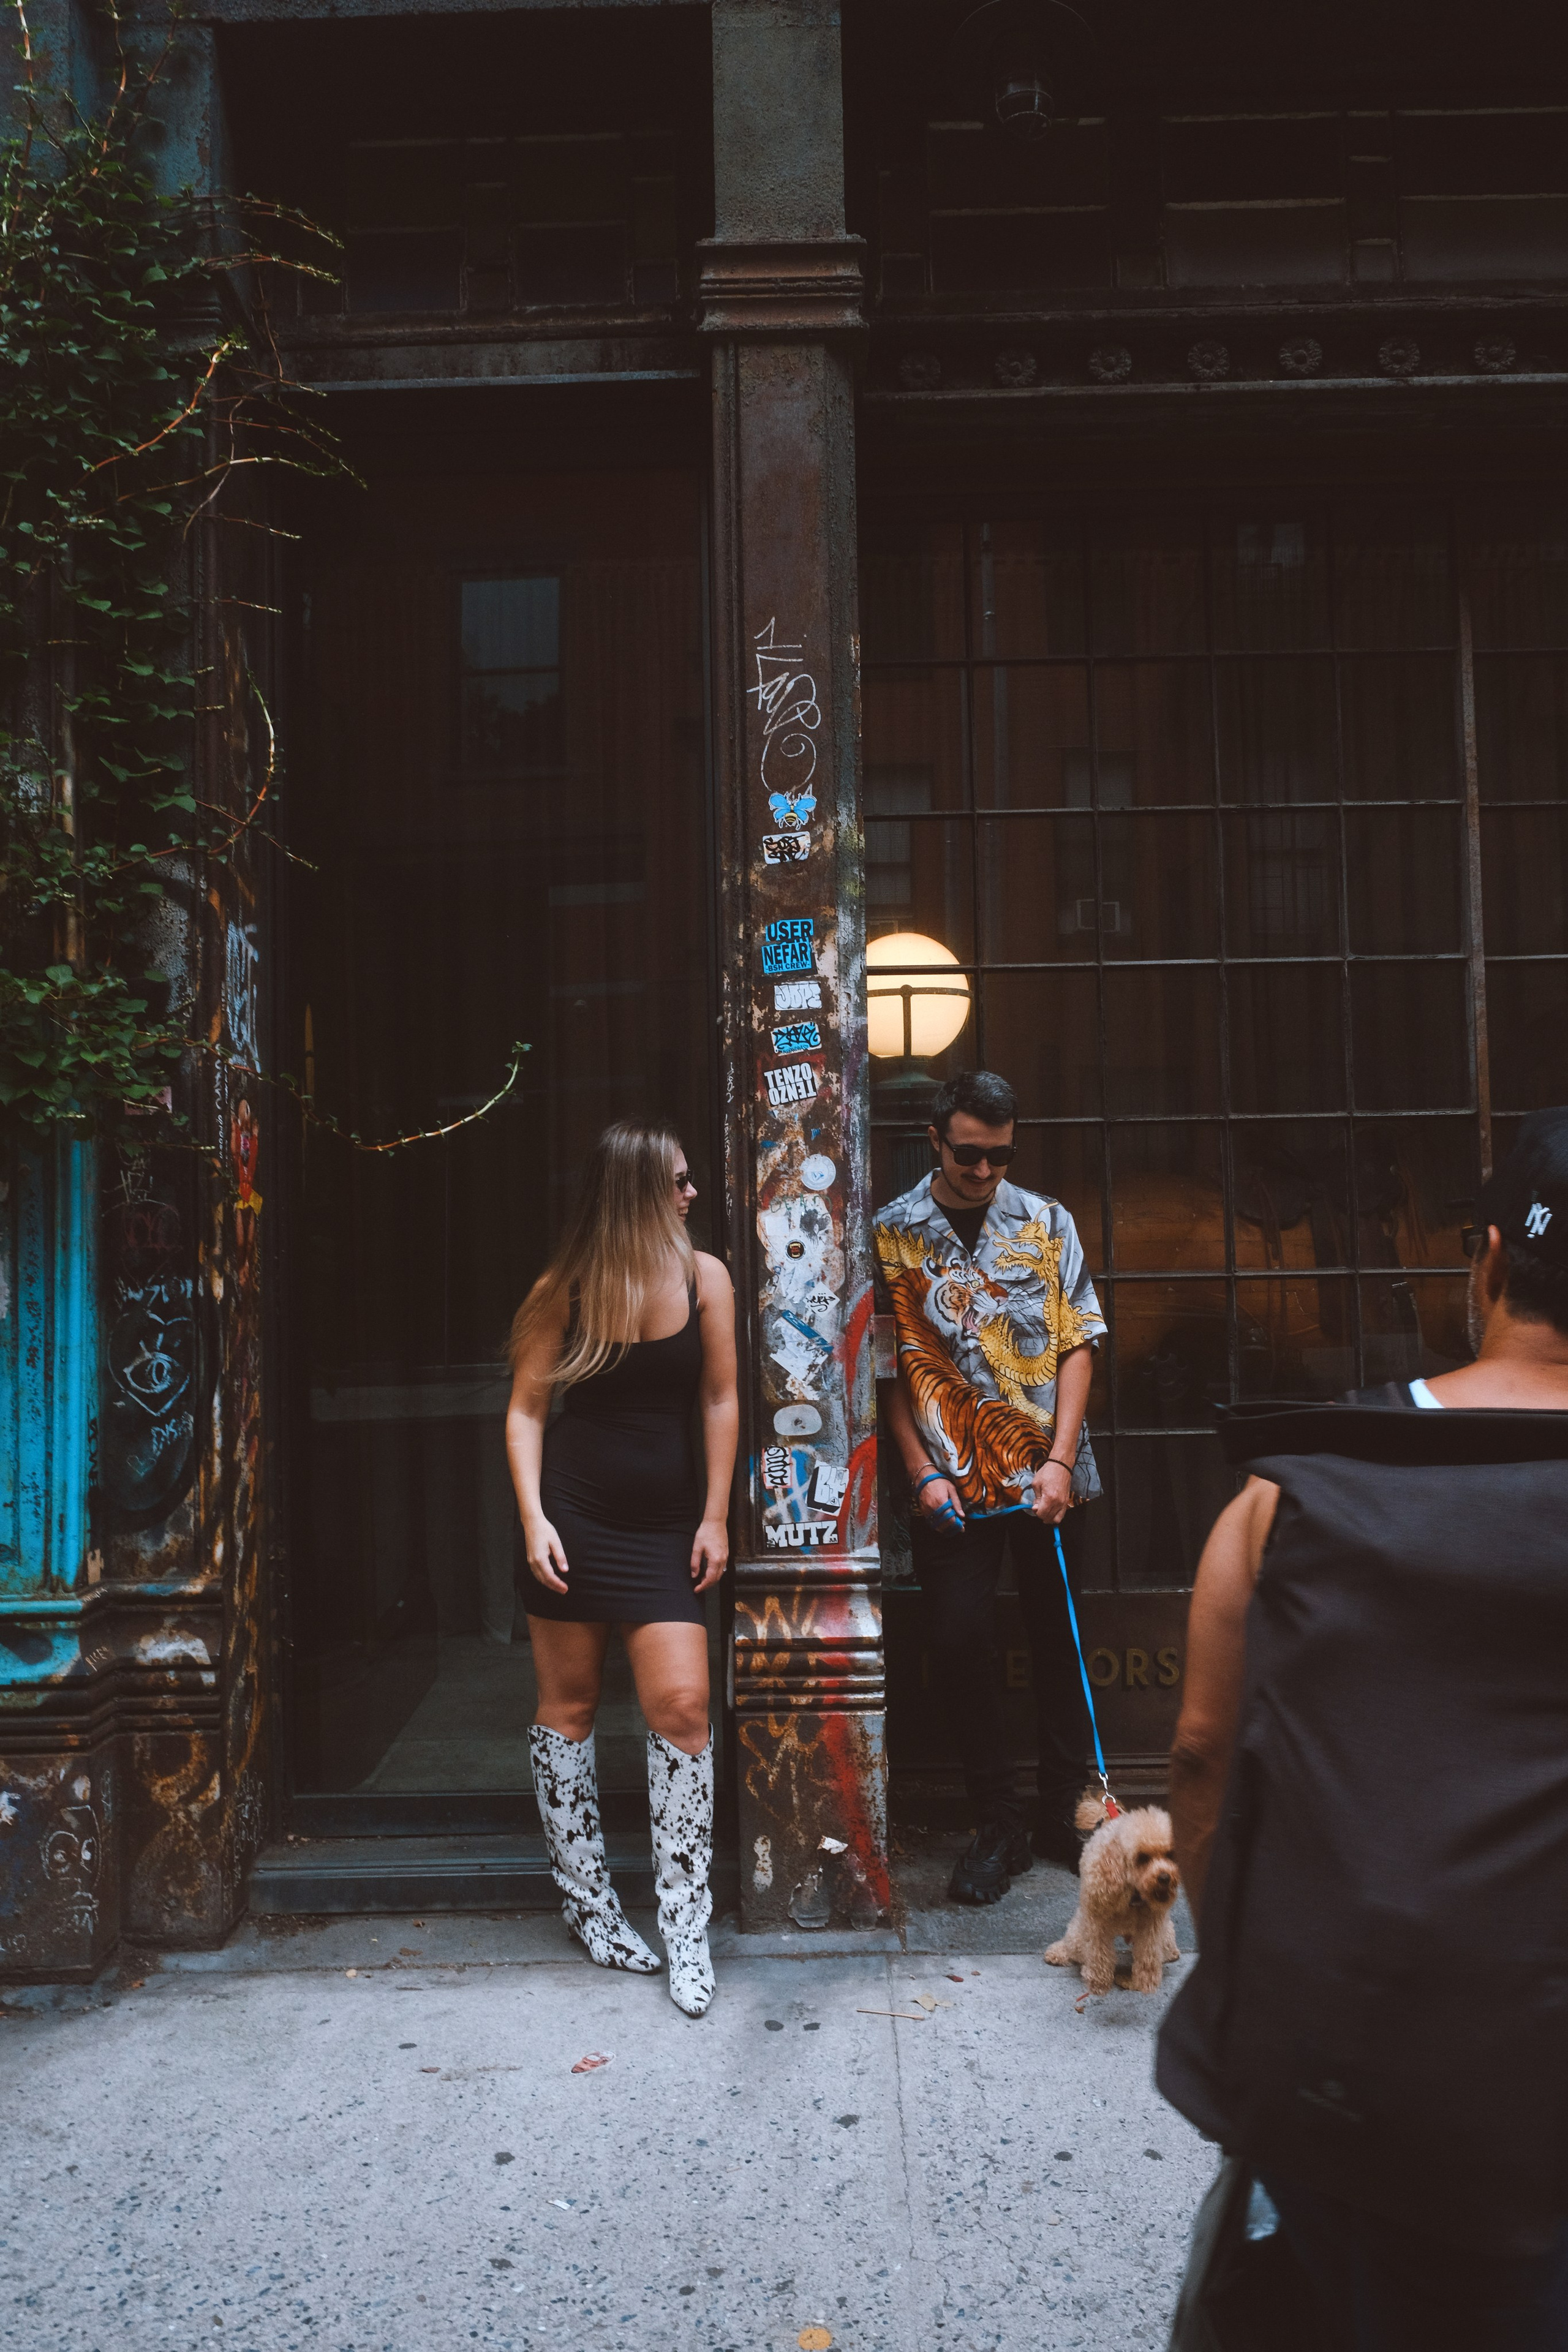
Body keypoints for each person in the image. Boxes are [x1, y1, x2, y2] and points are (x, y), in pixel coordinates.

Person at [1159, 1107, 1568, 2351]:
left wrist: (1245, 1987)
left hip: (1353, 2071)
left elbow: (1198, 1760)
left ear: (1486, 1259)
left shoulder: (1288, 1497)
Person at [505, 1120, 737, 2018]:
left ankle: (686, 1925)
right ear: (639, 1189)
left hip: (665, 1525)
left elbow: (719, 1397)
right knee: (566, 1710)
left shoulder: (702, 1276)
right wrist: (533, 1521)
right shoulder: (564, 1288)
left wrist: (715, 1515)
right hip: (574, 1515)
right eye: (677, 1182)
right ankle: (592, 1908)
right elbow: (527, 1410)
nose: (690, 1194)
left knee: (682, 1707)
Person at [873, 1068, 1106, 1902]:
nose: (982, 1173)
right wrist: (918, 1470)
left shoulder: (1045, 1222)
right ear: (936, 1139)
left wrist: (1059, 1462)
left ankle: (1060, 1816)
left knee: (1060, 1644)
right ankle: (998, 1823)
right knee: (961, 1641)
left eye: (999, 1157)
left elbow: (1080, 1342)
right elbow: (887, 1369)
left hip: (1046, 1471)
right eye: (968, 1156)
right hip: (951, 1484)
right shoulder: (894, 1232)